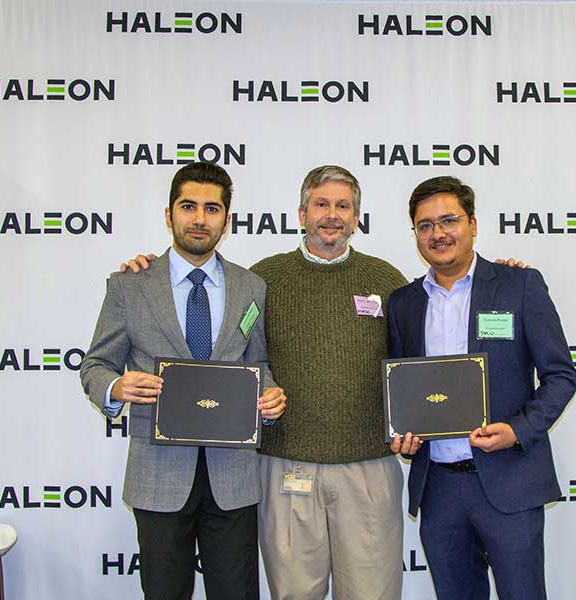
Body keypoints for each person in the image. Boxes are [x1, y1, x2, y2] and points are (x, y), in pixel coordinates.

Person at [120, 165, 409, 600]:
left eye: (343, 206)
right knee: (293, 593)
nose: (331, 215)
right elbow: (245, 360)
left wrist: (492, 279)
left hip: (367, 468)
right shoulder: (261, 281)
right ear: (301, 213)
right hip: (284, 467)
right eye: (321, 204)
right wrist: (147, 271)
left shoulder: (386, 280)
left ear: (356, 218)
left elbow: (416, 358)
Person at [80, 162, 286, 600]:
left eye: (212, 209)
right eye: (188, 206)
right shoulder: (129, 285)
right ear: (168, 214)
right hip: (158, 475)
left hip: (232, 475)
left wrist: (267, 392)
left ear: (226, 221)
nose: (199, 218)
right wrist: (117, 388)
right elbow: (95, 365)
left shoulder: (252, 287)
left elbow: (259, 359)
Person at [387, 176, 576, 600]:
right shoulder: (403, 304)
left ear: (473, 224)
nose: (438, 233)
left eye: (449, 220)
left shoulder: (519, 286)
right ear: (416, 234)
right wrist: (403, 438)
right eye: (425, 225)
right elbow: (401, 390)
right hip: (439, 490)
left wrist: (518, 430)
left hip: (509, 480)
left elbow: (561, 375)